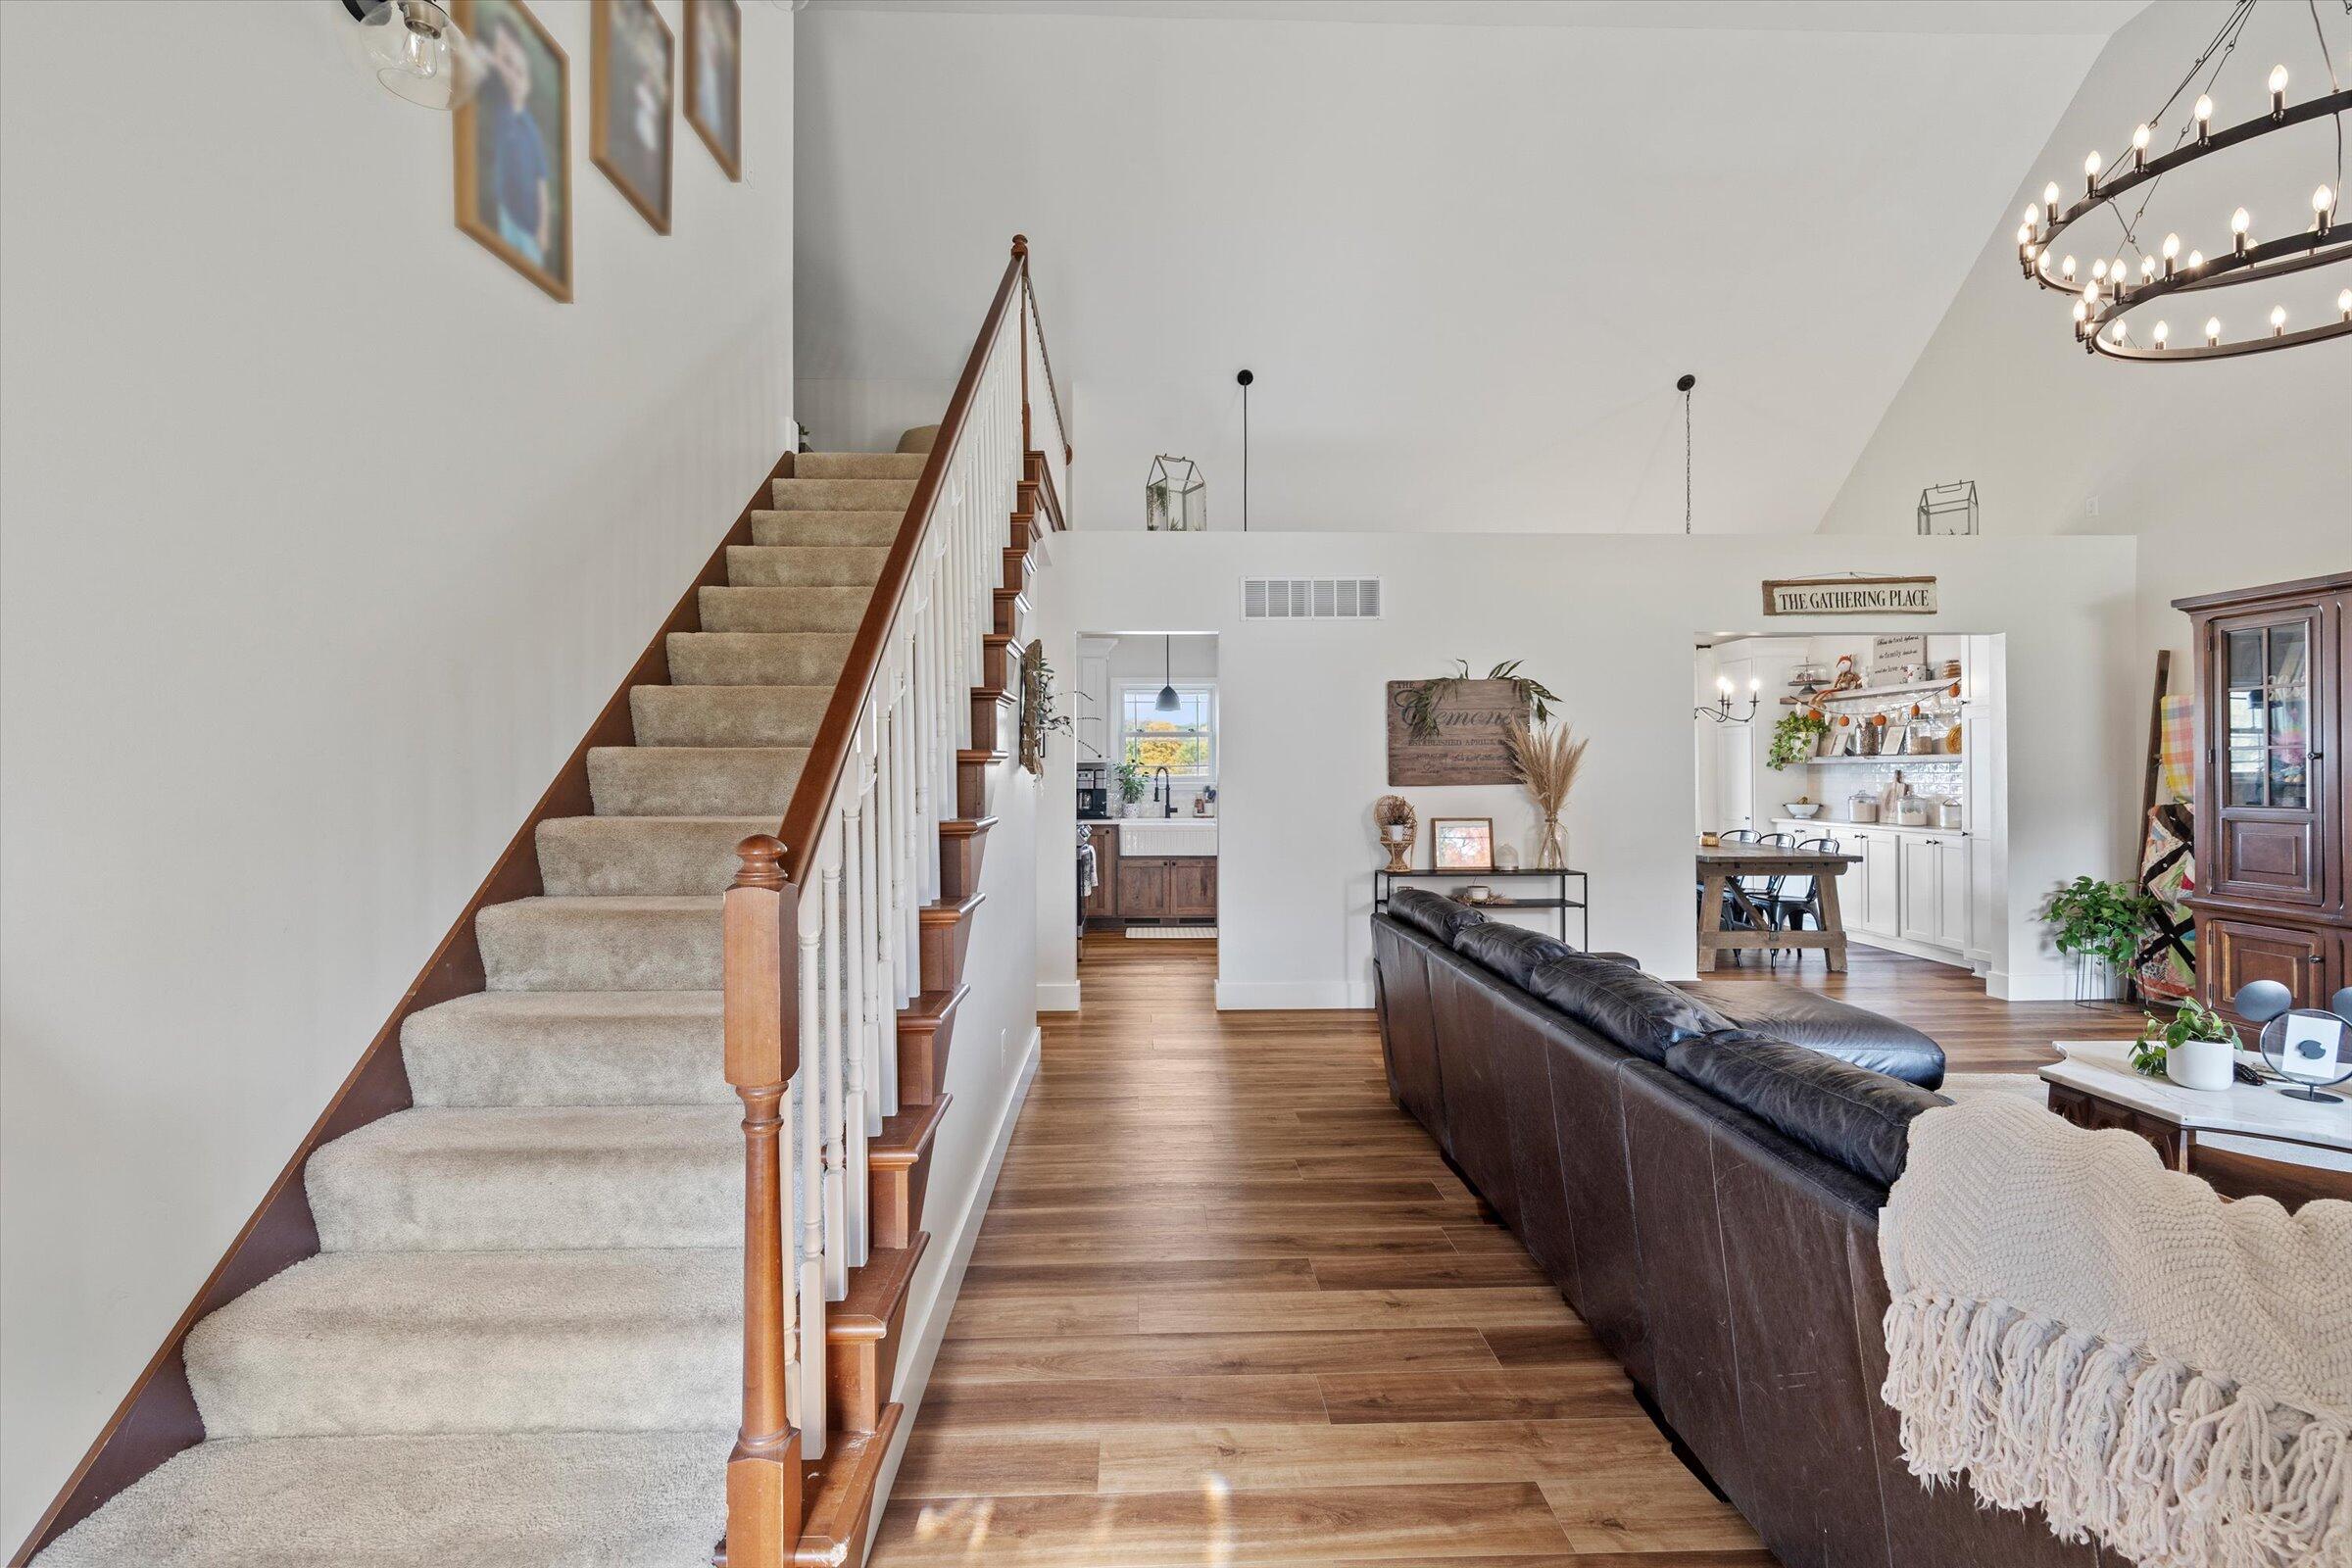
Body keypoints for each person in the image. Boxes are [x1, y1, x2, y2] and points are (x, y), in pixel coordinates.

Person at [482, 14, 552, 269]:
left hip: (530, 225)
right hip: (508, 213)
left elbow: (541, 182)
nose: (514, 75)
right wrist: (501, 55)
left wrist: (543, 230)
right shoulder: (502, 112)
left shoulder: (530, 129)